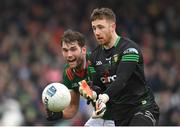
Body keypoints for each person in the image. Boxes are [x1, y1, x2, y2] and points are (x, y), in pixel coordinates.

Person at [80, 7, 160, 126]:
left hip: (141, 108)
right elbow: (98, 87)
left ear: (112, 27)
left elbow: (122, 80)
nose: (97, 32)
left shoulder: (130, 50)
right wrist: (92, 93)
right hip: (118, 115)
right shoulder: (93, 57)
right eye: (94, 28)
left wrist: (104, 97)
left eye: (101, 27)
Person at [45, 29, 115, 126]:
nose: (69, 55)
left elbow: (118, 88)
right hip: (101, 117)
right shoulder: (68, 73)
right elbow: (73, 106)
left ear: (83, 50)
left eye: (73, 49)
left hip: (121, 114)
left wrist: (97, 91)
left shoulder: (98, 62)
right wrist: (60, 114)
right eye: (65, 50)